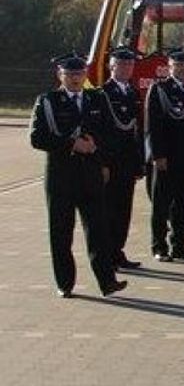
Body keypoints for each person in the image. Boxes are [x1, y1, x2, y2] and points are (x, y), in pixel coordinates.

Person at [28, 55, 127, 298]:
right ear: (60, 76)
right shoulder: (48, 101)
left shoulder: (97, 98)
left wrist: (99, 153)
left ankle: (107, 281)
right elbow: (37, 138)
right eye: (70, 74)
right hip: (61, 177)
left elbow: (110, 133)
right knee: (61, 232)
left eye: (79, 74)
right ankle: (65, 283)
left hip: (91, 174)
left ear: (85, 75)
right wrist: (72, 145)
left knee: (99, 230)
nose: (75, 79)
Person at [145, 48, 184, 262]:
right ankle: (159, 246)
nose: (183, 69)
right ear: (169, 67)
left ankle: (179, 245)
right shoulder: (160, 89)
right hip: (167, 158)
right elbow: (153, 125)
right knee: (161, 204)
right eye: (178, 65)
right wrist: (158, 155)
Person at [97, 47, 145, 270]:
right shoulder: (102, 94)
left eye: (129, 65)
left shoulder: (133, 93)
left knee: (124, 210)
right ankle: (106, 254)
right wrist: (103, 163)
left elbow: (136, 131)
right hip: (110, 162)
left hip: (127, 161)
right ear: (111, 66)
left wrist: (138, 163)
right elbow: (99, 132)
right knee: (108, 210)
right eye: (121, 64)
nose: (126, 68)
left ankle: (118, 251)